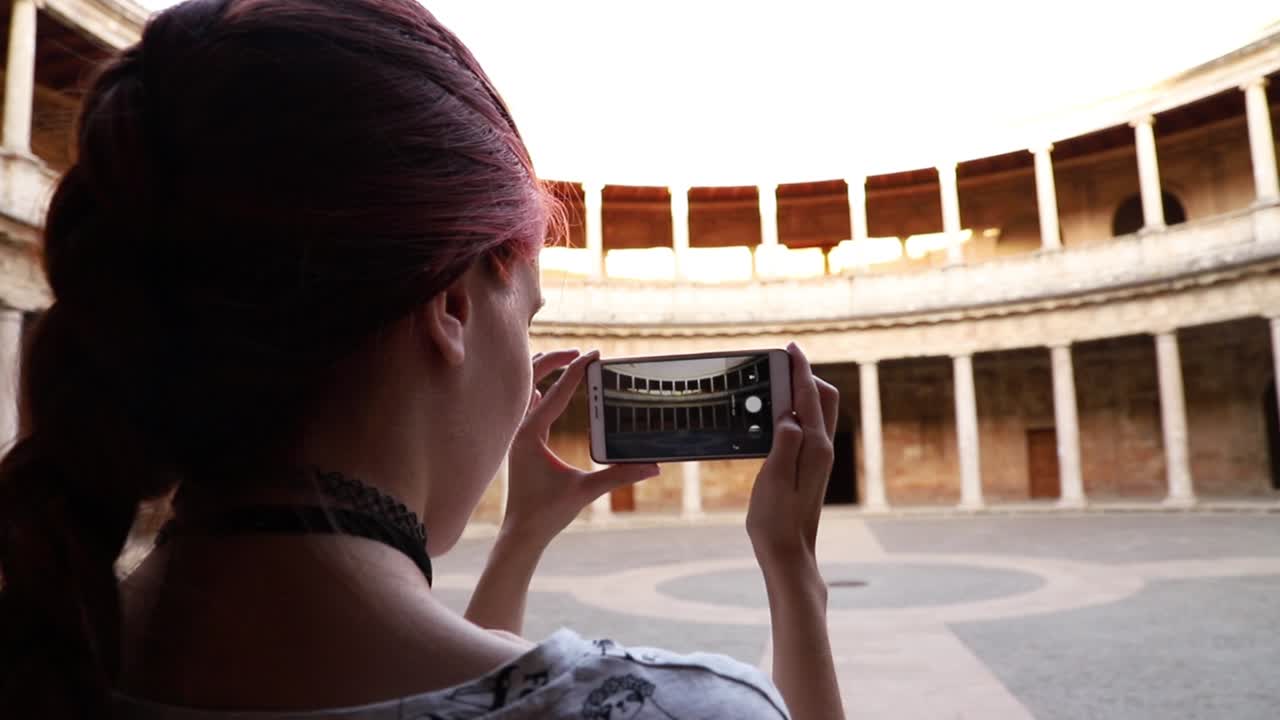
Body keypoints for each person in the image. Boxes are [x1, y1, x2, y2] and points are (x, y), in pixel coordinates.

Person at [0, 0, 844, 717]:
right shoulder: (680, 707)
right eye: (527, 313)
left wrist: (517, 539)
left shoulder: (48, 655)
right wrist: (792, 569)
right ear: (450, 304)